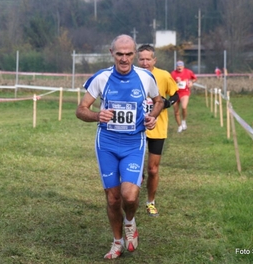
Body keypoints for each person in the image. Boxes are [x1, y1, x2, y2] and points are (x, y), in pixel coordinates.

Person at [75, 34, 164, 259]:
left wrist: (152, 116)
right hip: (107, 144)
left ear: (134, 54)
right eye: (119, 54)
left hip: (134, 143)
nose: (124, 59)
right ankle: (117, 242)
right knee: (113, 198)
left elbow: (159, 100)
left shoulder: (145, 77)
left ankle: (130, 222)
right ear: (111, 53)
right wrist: (97, 115)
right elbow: (81, 109)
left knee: (130, 197)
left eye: (129, 54)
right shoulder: (101, 78)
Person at [137, 44, 178, 217]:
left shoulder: (163, 75)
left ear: (154, 60)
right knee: (136, 170)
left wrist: (167, 103)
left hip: (157, 128)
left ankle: (150, 202)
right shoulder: (132, 75)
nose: (145, 62)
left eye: (148, 59)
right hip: (136, 128)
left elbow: (175, 95)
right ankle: (131, 199)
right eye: (142, 59)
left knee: (153, 169)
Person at [171, 60, 197, 132]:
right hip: (175, 93)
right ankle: (179, 126)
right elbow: (169, 82)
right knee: (176, 111)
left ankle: (183, 121)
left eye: (181, 66)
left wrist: (191, 82)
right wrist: (176, 82)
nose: (179, 68)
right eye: (178, 66)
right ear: (176, 67)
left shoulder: (188, 72)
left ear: (183, 66)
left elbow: (194, 78)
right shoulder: (173, 73)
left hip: (184, 92)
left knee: (184, 107)